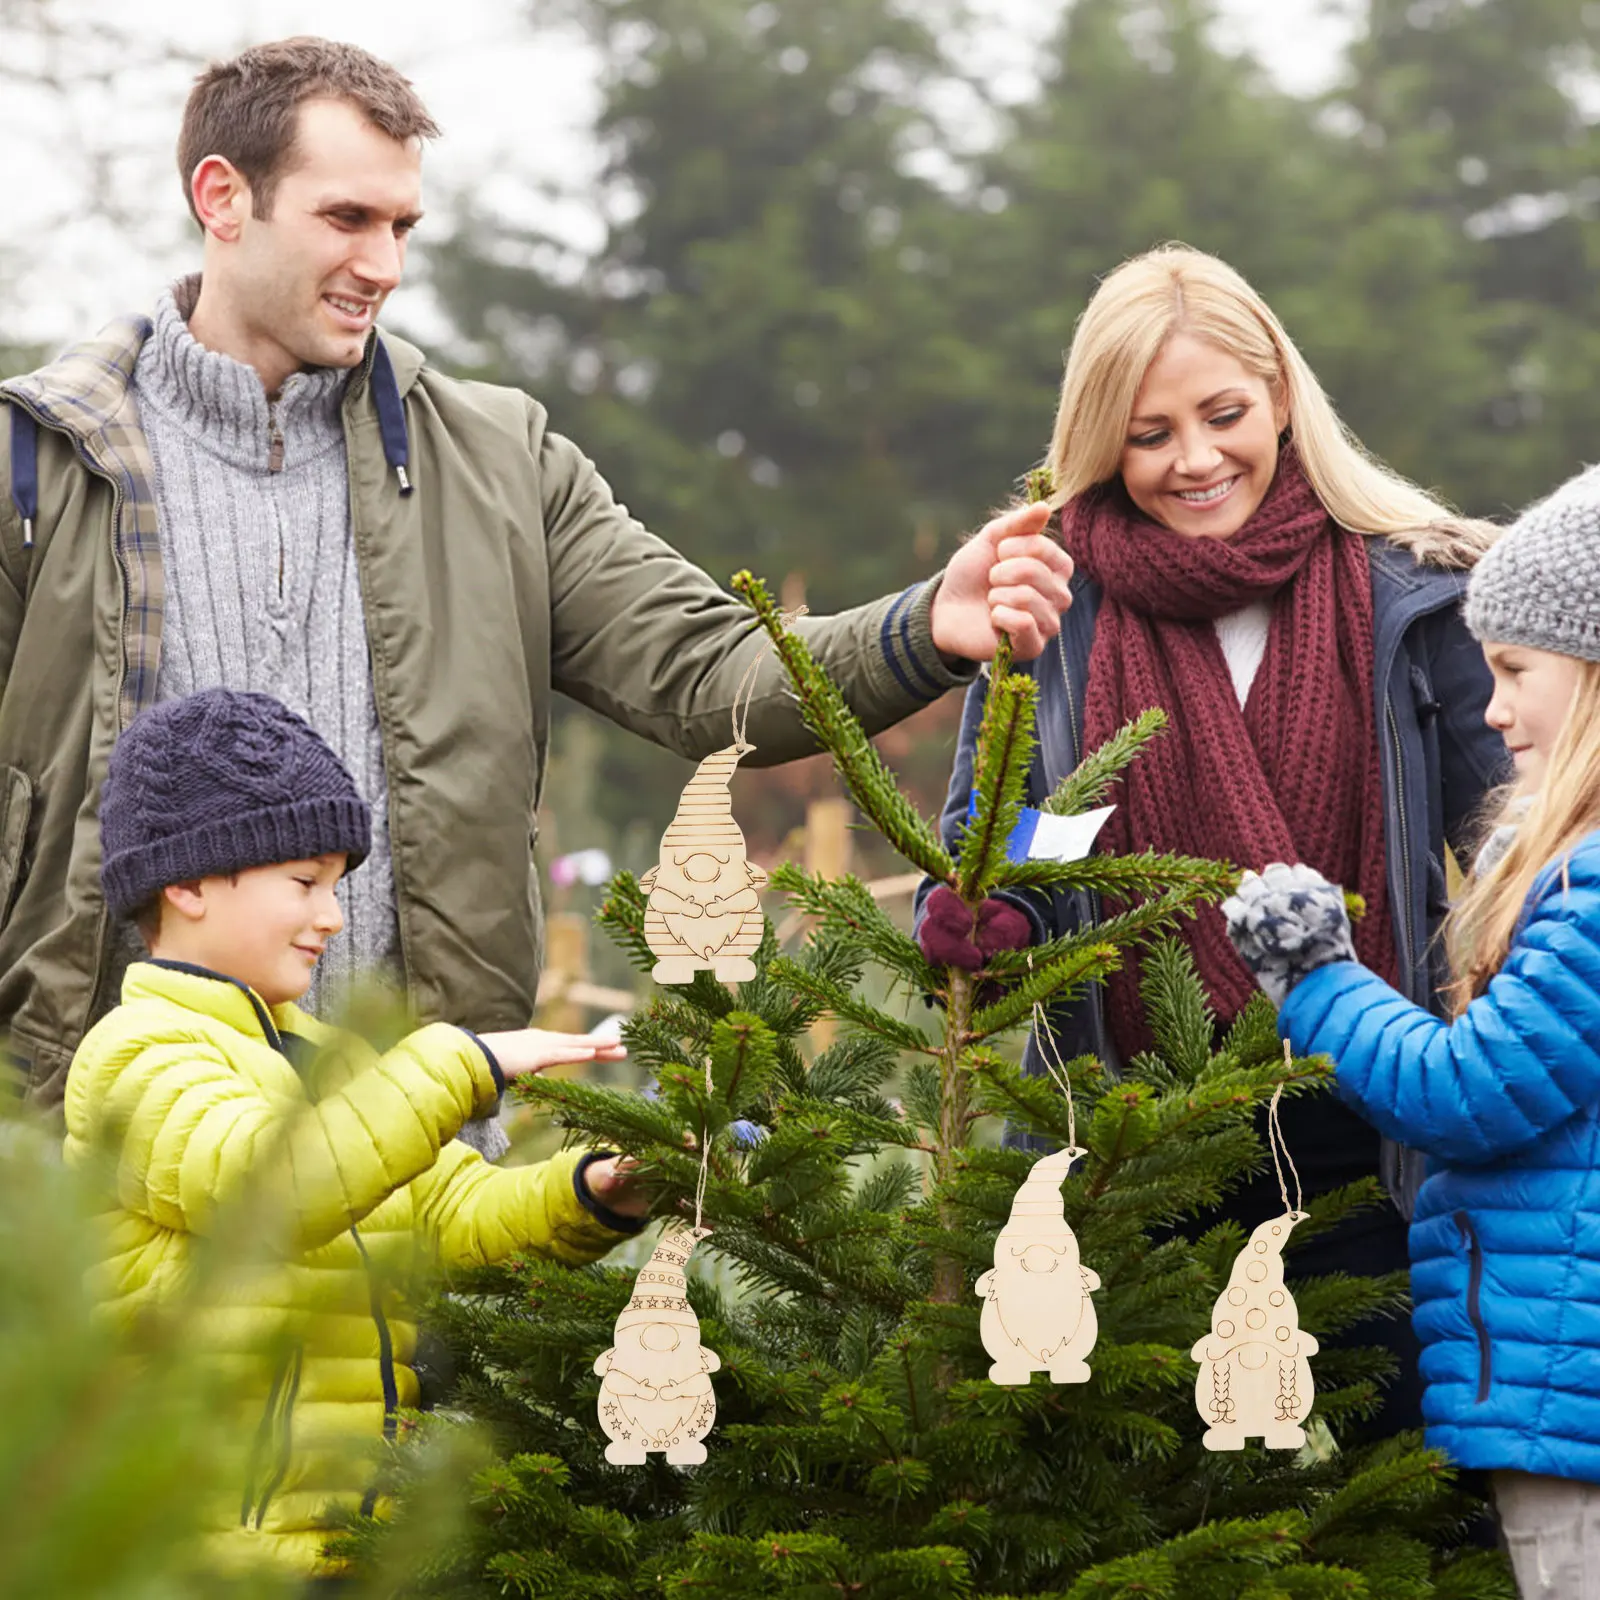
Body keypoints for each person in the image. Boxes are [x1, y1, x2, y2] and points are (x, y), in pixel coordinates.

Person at [0, 37, 1073, 1111]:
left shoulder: (502, 463)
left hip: (421, 1161)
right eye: (347, 219)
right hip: (103, 1168)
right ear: (223, 198)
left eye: (402, 226)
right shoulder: (35, 465)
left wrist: (929, 621)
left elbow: (705, 670)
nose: (386, 265)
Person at [921, 244, 1506, 1436]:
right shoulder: (1053, 602)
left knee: (1412, 1494)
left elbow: (1514, 840)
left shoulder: (1415, 586)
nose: (1193, 459)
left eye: (1223, 414)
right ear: (1101, 438)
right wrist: (991, 901)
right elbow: (1027, 828)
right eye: (1148, 434)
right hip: (1131, 1146)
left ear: (1281, 398)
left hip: (1378, 1140)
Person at [65, 687, 648, 1579]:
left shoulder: (325, 1057)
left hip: (354, 1546)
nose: (332, 917)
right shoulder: (134, 1056)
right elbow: (273, 1189)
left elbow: (451, 1211)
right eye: (304, 883)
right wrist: (465, 1061)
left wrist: (596, 1190)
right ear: (184, 882)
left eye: (337, 885)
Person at [1223, 465, 1600, 1599]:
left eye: (1515, 672)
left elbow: (1466, 1092)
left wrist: (1314, 974)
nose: (1491, 711)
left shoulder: (1592, 897)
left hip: (1567, 1395)